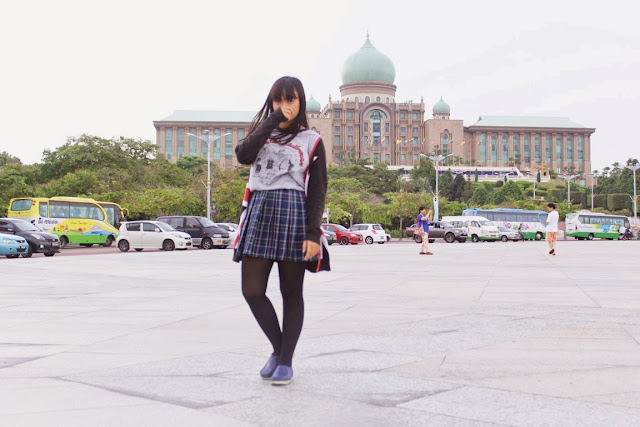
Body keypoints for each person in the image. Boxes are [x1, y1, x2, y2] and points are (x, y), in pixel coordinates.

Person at [233, 76, 329, 386]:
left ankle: (286, 361)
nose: (284, 105)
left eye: (291, 99)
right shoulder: (262, 133)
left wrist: (313, 233)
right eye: (279, 99)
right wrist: (272, 120)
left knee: (291, 292)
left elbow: (318, 189)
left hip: (293, 214)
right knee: (252, 291)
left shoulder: (312, 140)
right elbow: (243, 155)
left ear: (301, 103)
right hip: (260, 211)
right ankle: (278, 349)